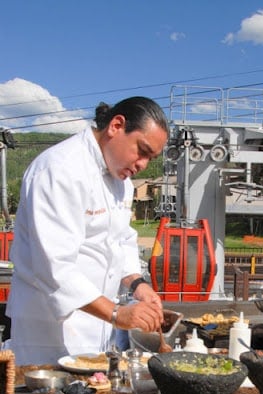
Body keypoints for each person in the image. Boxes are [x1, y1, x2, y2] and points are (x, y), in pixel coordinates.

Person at [7, 96, 169, 365]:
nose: (142, 164)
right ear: (116, 126)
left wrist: (138, 284)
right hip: (48, 328)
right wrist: (117, 314)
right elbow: (54, 267)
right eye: (141, 150)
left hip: (98, 325)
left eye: (149, 158)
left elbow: (121, 238)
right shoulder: (59, 169)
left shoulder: (122, 180)